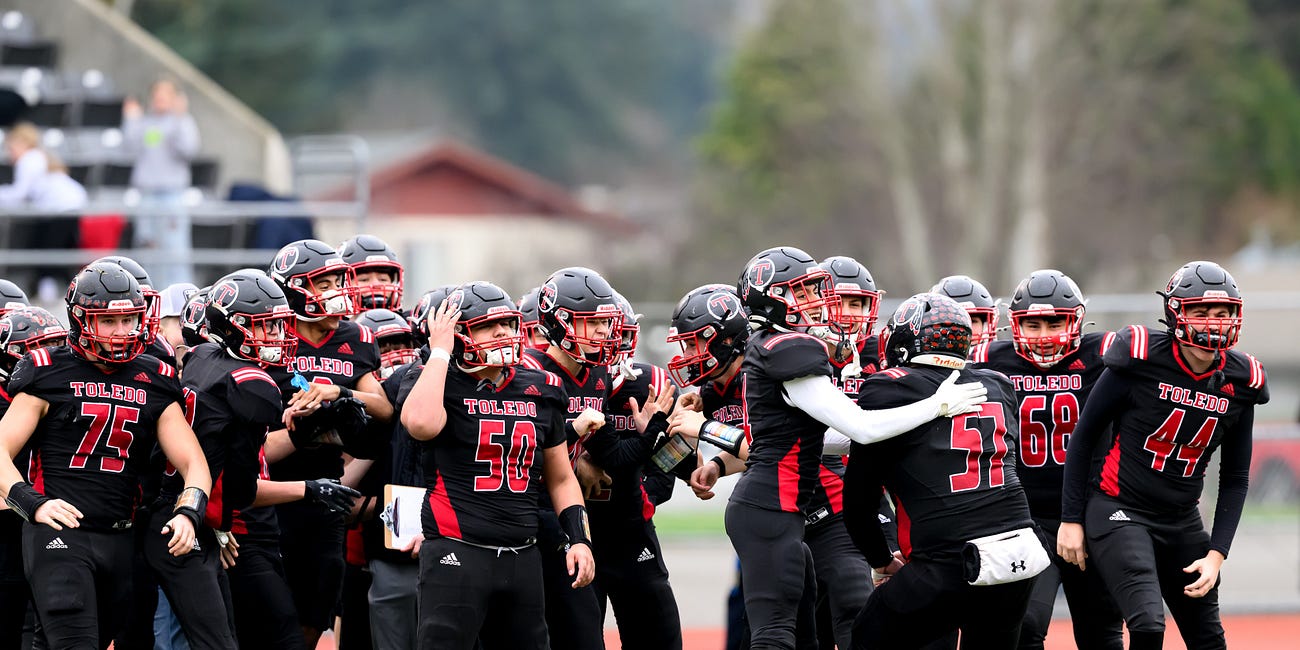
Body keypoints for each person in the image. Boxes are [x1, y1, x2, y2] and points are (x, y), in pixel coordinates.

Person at [725, 246, 986, 650]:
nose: (817, 301)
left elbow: (831, 439)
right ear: (770, 297)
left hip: (779, 509)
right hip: (769, 507)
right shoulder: (788, 349)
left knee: (805, 635)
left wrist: (903, 429)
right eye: (803, 291)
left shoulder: (773, 347)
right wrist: (935, 406)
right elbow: (861, 428)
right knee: (775, 635)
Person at [1057, 261, 1269, 650]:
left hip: (1181, 519)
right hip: (1120, 509)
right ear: (1176, 313)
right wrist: (1071, 518)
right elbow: (1084, 438)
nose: (1212, 323)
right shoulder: (1139, 356)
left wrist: (1217, 553)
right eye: (1200, 312)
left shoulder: (1243, 380)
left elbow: (1236, 478)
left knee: (1209, 639)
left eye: (1222, 313)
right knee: (1148, 624)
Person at [0, 262, 212, 648]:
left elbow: (193, 462)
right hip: (59, 532)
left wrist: (189, 511)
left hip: (119, 538)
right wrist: (31, 503)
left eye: (129, 320)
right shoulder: (46, 369)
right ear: (81, 320)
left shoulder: (154, 376)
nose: (121, 333)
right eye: (108, 321)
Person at [845, 292, 1047, 649]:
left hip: (950, 561)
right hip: (1020, 554)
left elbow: (859, 501)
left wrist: (879, 559)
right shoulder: (997, 385)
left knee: (866, 636)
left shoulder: (889, 388)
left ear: (904, 340)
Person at [400, 281, 595, 649]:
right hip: (456, 550)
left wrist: (579, 539)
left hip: (522, 555)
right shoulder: (435, 378)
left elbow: (560, 477)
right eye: (489, 325)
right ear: (459, 334)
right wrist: (440, 353)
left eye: (507, 323)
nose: (503, 332)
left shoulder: (542, 387)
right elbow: (421, 425)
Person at [968, 269, 1124, 650]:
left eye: (1054, 322)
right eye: (1032, 324)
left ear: (1077, 320)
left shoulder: (1103, 355)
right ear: (1014, 325)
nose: (1044, 335)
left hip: (1090, 513)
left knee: (1101, 630)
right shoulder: (990, 359)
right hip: (1025, 518)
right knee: (1027, 625)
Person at [519, 266, 669, 650]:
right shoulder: (529, 371)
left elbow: (616, 457)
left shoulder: (598, 375)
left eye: (607, 323)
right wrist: (572, 432)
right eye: (595, 323)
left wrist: (651, 430)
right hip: (525, 512)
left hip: (567, 513)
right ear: (560, 322)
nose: (606, 333)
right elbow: (520, 451)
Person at [261, 239, 391, 649]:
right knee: (271, 613)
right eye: (324, 282)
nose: (336, 290)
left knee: (316, 609)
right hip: (270, 486)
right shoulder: (270, 333)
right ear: (294, 288)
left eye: (337, 280)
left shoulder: (356, 337)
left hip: (327, 489)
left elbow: (384, 407)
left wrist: (339, 393)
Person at [587, 292, 683, 650]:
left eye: (623, 335)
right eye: (606, 332)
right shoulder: (564, 384)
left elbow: (672, 457)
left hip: (631, 529)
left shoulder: (648, 383)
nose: (616, 345)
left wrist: (646, 493)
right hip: (576, 531)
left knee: (659, 636)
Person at [0, 306, 65, 650]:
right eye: (35, 351)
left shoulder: (61, 395)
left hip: (54, 522)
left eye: (55, 347)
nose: (47, 360)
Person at [123, 77, 201, 287]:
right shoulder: (144, 123)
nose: (160, 98)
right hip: (147, 194)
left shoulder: (183, 121)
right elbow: (130, 149)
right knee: (147, 248)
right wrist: (131, 119)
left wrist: (178, 118)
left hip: (171, 194)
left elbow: (189, 149)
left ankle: (180, 298)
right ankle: (151, 296)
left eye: (166, 93)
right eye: (157, 93)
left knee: (175, 251)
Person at [339, 235, 404, 313]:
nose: (376, 285)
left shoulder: (408, 323)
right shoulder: (331, 324)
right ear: (343, 284)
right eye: (364, 279)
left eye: (383, 279)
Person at [932, 275, 1000, 346]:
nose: (965, 329)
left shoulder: (999, 355)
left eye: (973, 321)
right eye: (956, 322)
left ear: (985, 325)